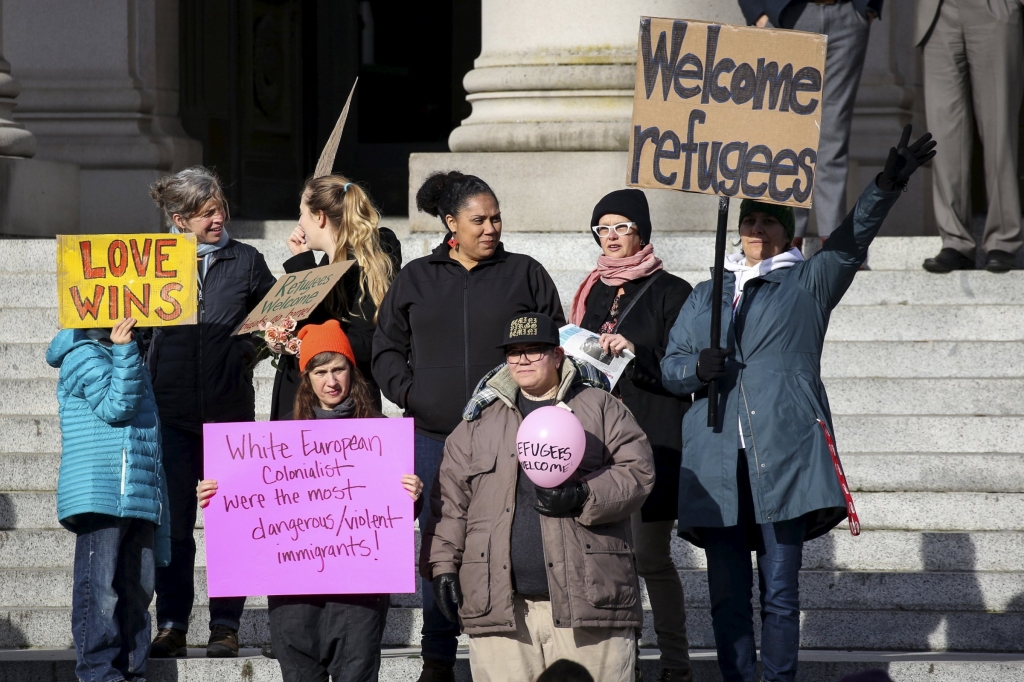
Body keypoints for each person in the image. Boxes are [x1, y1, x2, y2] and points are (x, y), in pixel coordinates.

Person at [660, 125, 935, 682]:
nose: (756, 228)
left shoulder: (809, 281)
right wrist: (696, 369)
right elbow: (670, 367)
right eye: (749, 220)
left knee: (781, 594)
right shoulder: (706, 291)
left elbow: (852, 241)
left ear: (787, 233)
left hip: (784, 454)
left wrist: (884, 186)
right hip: (716, 459)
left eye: (768, 221)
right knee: (726, 599)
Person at [372, 171, 565, 682]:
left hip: (507, 437)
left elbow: (556, 343)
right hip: (432, 440)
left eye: (496, 218)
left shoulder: (525, 273)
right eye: (478, 220)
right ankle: (437, 658)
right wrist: (412, 394)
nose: (491, 228)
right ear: (450, 223)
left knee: (496, 540)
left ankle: (500, 646)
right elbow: (386, 348)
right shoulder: (415, 277)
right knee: (440, 544)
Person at [426, 312, 655, 682]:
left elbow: (638, 471)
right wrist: (443, 566)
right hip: (501, 610)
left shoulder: (599, 405)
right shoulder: (477, 421)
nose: (522, 359)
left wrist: (584, 494)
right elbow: (450, 505)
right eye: (514, 352)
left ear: (558, 354)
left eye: (534, 350)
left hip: (588, 604)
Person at [197, 320, 423, 682]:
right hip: (294, 595)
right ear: (307, 377)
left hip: (358, 593)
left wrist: (412, 496)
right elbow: (246, 509)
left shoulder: (381, 435)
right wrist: (214, 495)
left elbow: (392, 518)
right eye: (320, 371)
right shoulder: (278, 439)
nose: (331, 381)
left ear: (352, 371)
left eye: (338, 369)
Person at [146, 166, 278, 658]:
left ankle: (226, 625)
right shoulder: (155, 263)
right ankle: (173, 623)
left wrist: (245, 354)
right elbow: (134, 331)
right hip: (172, 415)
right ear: (180, 219)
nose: (219, 218)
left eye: (220, 208)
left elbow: (277, 316)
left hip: (229, 416)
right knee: (175, 527)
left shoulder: (246, 260)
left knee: (231, 525)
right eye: (206, 214)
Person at [569, 189, 694, 682]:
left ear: (642, 232)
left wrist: (636, 352)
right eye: (604, 228)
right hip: (598, 442)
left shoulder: (673, 291)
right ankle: (619, 663)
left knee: (649, 556)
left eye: (622, 227)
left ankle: (676, 665)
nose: (613, 237)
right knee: (603, 559)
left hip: (653, 438)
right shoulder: (591, 289)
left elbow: (683, 372)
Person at [45, 317, 170, 682]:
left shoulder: (119, 353)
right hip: (101, 492)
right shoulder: (82, 354)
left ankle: (132, 669)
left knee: (137, 588)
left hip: (134, 490)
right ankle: (99, 672)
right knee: (99, 591)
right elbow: (116, 405)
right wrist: (124, 349)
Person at [739, 0, 882, 248]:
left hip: (848, 15)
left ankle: (834, 240)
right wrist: (758, 12)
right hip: (788, 14)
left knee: (833, 131)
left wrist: (868, 8)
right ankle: (787, 237)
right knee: (788, 132)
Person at [268, 174, 401, 419]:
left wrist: (302, 269)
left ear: (319, 217)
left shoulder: (367, 265)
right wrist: (282, 338)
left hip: (345, 407)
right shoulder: (326, 265)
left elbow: (362, 342)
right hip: (308, 402)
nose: (299, 223)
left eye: (301, 213)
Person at [917, 0, 1023, 273]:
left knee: (1000, 130)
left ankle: (1003, 240)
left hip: (993, 6)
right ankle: (955, 241)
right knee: (943, 134)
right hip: (937, 11)